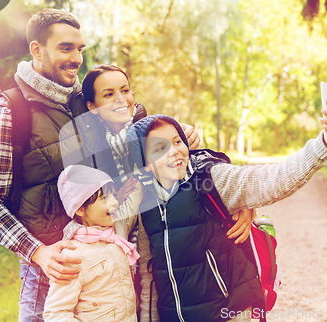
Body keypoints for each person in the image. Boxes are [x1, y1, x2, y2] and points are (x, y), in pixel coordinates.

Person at [0, 9, 202, 321]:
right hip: (52, 274)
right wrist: (40, 254)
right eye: (65, 48)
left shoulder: (87, 99)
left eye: (79, 49)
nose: (77, 58)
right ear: (36, 50)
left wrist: (183, 134)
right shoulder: (9, 114)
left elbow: (142, 131)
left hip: (112, 263)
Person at [125, 101, 327, 321]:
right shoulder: (146, 205)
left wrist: (323, 145)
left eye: (177, 141)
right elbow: (149, 279)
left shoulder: (210, 179)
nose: (174, 152)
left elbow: (272, 180)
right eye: (160, 148)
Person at [78, 64, 255, 321]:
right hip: (121, 263)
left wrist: (242, 203)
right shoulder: (89, 154)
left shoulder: (155, 129)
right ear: (92, 108)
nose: (120, 99)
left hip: (164, 256)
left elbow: (203, 170)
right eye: (108, 94)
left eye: (125, 90)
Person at [43, 165, 141, 322]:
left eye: (114, 195)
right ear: (81, 209)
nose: (115, 202)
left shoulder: (117, 233)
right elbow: (55, 312)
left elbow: (133, 203)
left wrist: (142, 175)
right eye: (105, 198)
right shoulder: (73, 254)